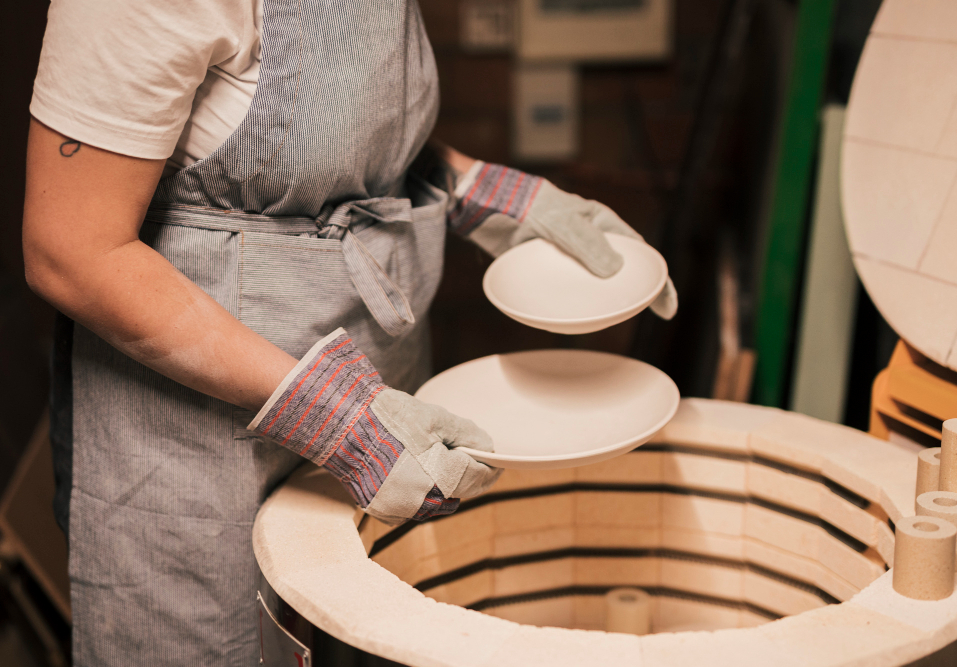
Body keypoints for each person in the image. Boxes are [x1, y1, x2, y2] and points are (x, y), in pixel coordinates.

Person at [21, 0, 678, 663]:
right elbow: (70, 249)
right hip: (196, 453)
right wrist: (333, 415)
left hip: (380, 408)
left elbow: (328, 129)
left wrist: (476, 187)